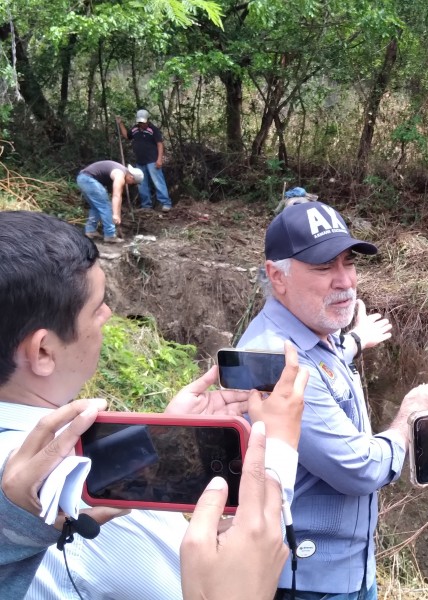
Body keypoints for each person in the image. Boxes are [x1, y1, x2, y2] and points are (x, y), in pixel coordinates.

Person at [0, 210, 305, 599]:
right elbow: (245, 557)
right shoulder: (53, 501)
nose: (108, 314)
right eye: (96, 307)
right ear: (43, 350)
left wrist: (163, 434)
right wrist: (277, 444)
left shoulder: (48, 456)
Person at [238, 200, 428, 599]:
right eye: (322, 266)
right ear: (276, 276)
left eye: (348, 263)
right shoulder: (278, 364)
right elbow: (360, 469)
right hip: (310, 583)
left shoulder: (310, 332)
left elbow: (324, 362)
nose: (345, 281)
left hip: (347, 569)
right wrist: (408, 421)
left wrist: (355, 340)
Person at [115, 110, 173, 212]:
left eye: (143, 122)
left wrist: (159, 159)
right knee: (142, 184)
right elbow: (127, 136)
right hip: (140, 162)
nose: (142, 124)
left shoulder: (153, 130)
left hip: (152, 161)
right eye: (140, 122)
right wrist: (120, 124)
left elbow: (160, 144)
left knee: (158, 182)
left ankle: (166, 203)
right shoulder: (135, 129)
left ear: (147, 120)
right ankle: (146, 205)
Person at [77, 160, 143, 243]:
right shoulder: (120, 175)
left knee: (95, 207)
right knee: (106, 207)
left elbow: (119, 197)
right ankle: (110, 235)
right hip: (88, 180)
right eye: (133, 183)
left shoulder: (121, 171)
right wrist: (115, 214)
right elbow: (116, 196)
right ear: (131, 177)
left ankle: (90, 231)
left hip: (82, 178)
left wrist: (118, 214)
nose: (130, 184)